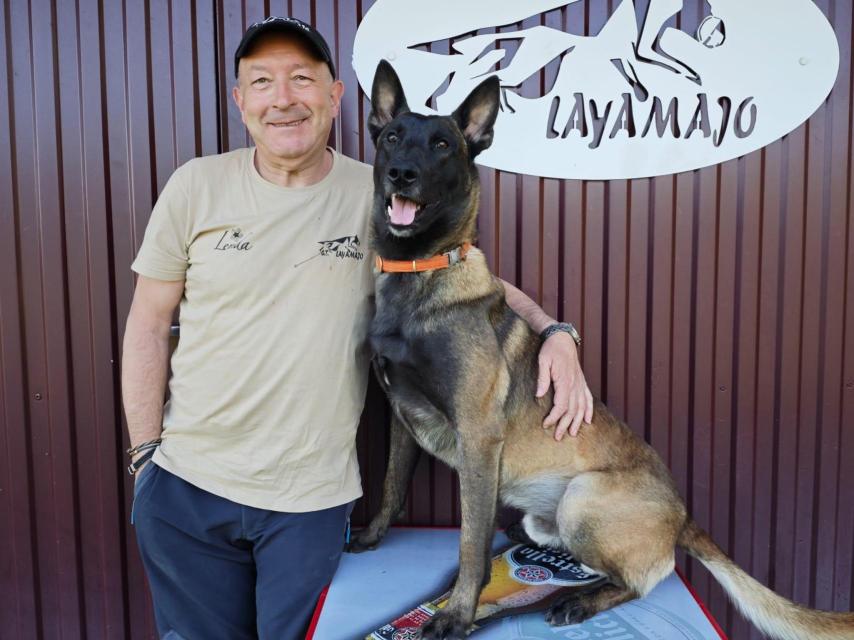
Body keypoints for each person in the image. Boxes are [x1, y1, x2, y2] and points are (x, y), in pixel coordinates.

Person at [121, 16, 594, 640]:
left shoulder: (374, 193)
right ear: (241, 100)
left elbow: (466, 280)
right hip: (186, 488)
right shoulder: (195, 186)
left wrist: (555, 332)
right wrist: (145, 457)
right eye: (261, 81)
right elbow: (149, 327)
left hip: (306, 502)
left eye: (300, 78)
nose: (282, 98)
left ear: (335, 96)